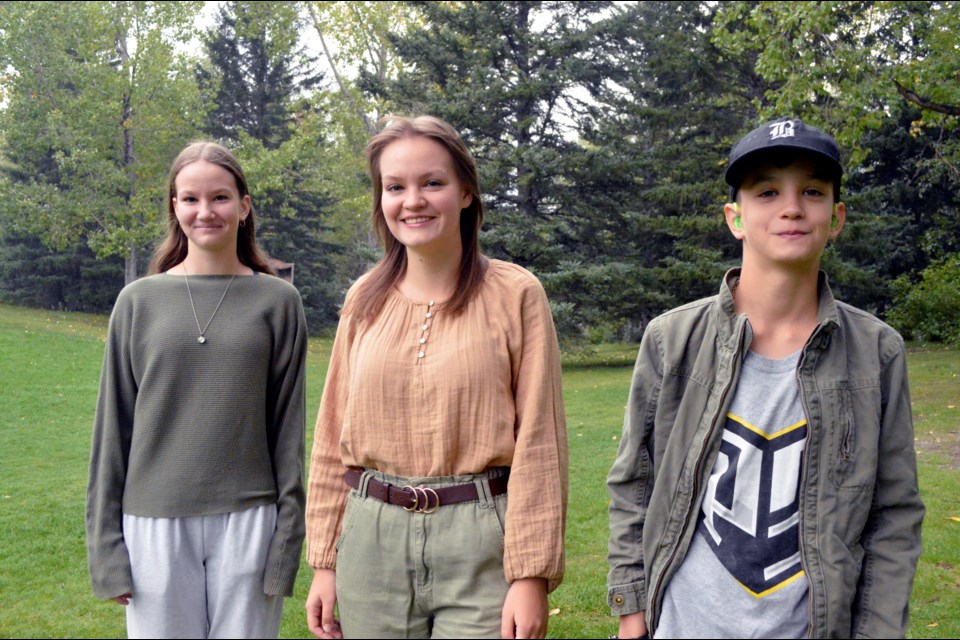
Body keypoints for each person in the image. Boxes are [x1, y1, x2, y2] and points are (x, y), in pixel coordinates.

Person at [606, 117, 924, 638]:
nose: (792, 206)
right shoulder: (671, 340)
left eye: (813, 192)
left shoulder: (877, 353)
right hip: (686, 625)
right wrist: (632, 607)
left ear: (836, 217)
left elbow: (893, 516)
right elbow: (633, 482)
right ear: (735, 217)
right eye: (768, 191)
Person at [304, 115, 568, 640]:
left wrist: (530, 574)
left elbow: (541, 443)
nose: (413, 200)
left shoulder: (515, 295)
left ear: (466, 192)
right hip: (369, 542)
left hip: (478, 540)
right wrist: (325, 561)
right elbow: (333, 437)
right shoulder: (363, 300)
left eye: (432, 183)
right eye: (395, 186)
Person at [86, 141, 308, 639]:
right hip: (153, 525)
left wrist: (285, 546)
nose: (205, 212)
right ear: (175, 207)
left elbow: (289, 436)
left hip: (251, 521)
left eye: (220, 198)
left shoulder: (279, 302)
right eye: (190, 199)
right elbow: (111, 432)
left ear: (244, 206)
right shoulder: (138, 302)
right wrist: (107, 550)